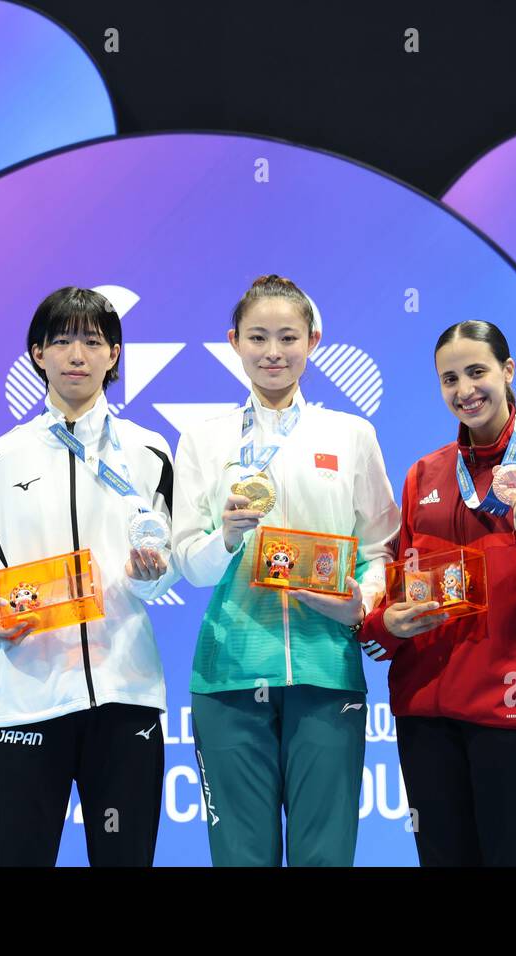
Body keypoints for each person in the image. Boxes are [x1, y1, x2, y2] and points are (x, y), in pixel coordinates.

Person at [0, 286, 179, 866]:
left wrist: (151, 576)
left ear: (114, 354)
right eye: (61, 340)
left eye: (92, 341)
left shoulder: (149, 452)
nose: (77, 354)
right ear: (37, 354)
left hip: (127, 695)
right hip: (28, 696)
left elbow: (164, 570)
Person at [356, 319, 516, 867]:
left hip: (514, 713)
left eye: (477, 372)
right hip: (426, 716)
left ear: (508, 370)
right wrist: (384, 627)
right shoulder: (423, 475)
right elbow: (394, 595)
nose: (464, 390)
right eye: (449, 379)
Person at [170, 274, 400, 866]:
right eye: (258, 337)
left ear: (313, 340)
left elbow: (382, 547)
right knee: (241, 857)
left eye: (288, 337)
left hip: (327, 671)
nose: (274, 352)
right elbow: (189, 565)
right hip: (230, 672)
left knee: (323, 857)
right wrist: (224, 538)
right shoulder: (201, 439)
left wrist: (364, 603)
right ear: (233, 342)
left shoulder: (351, 435)